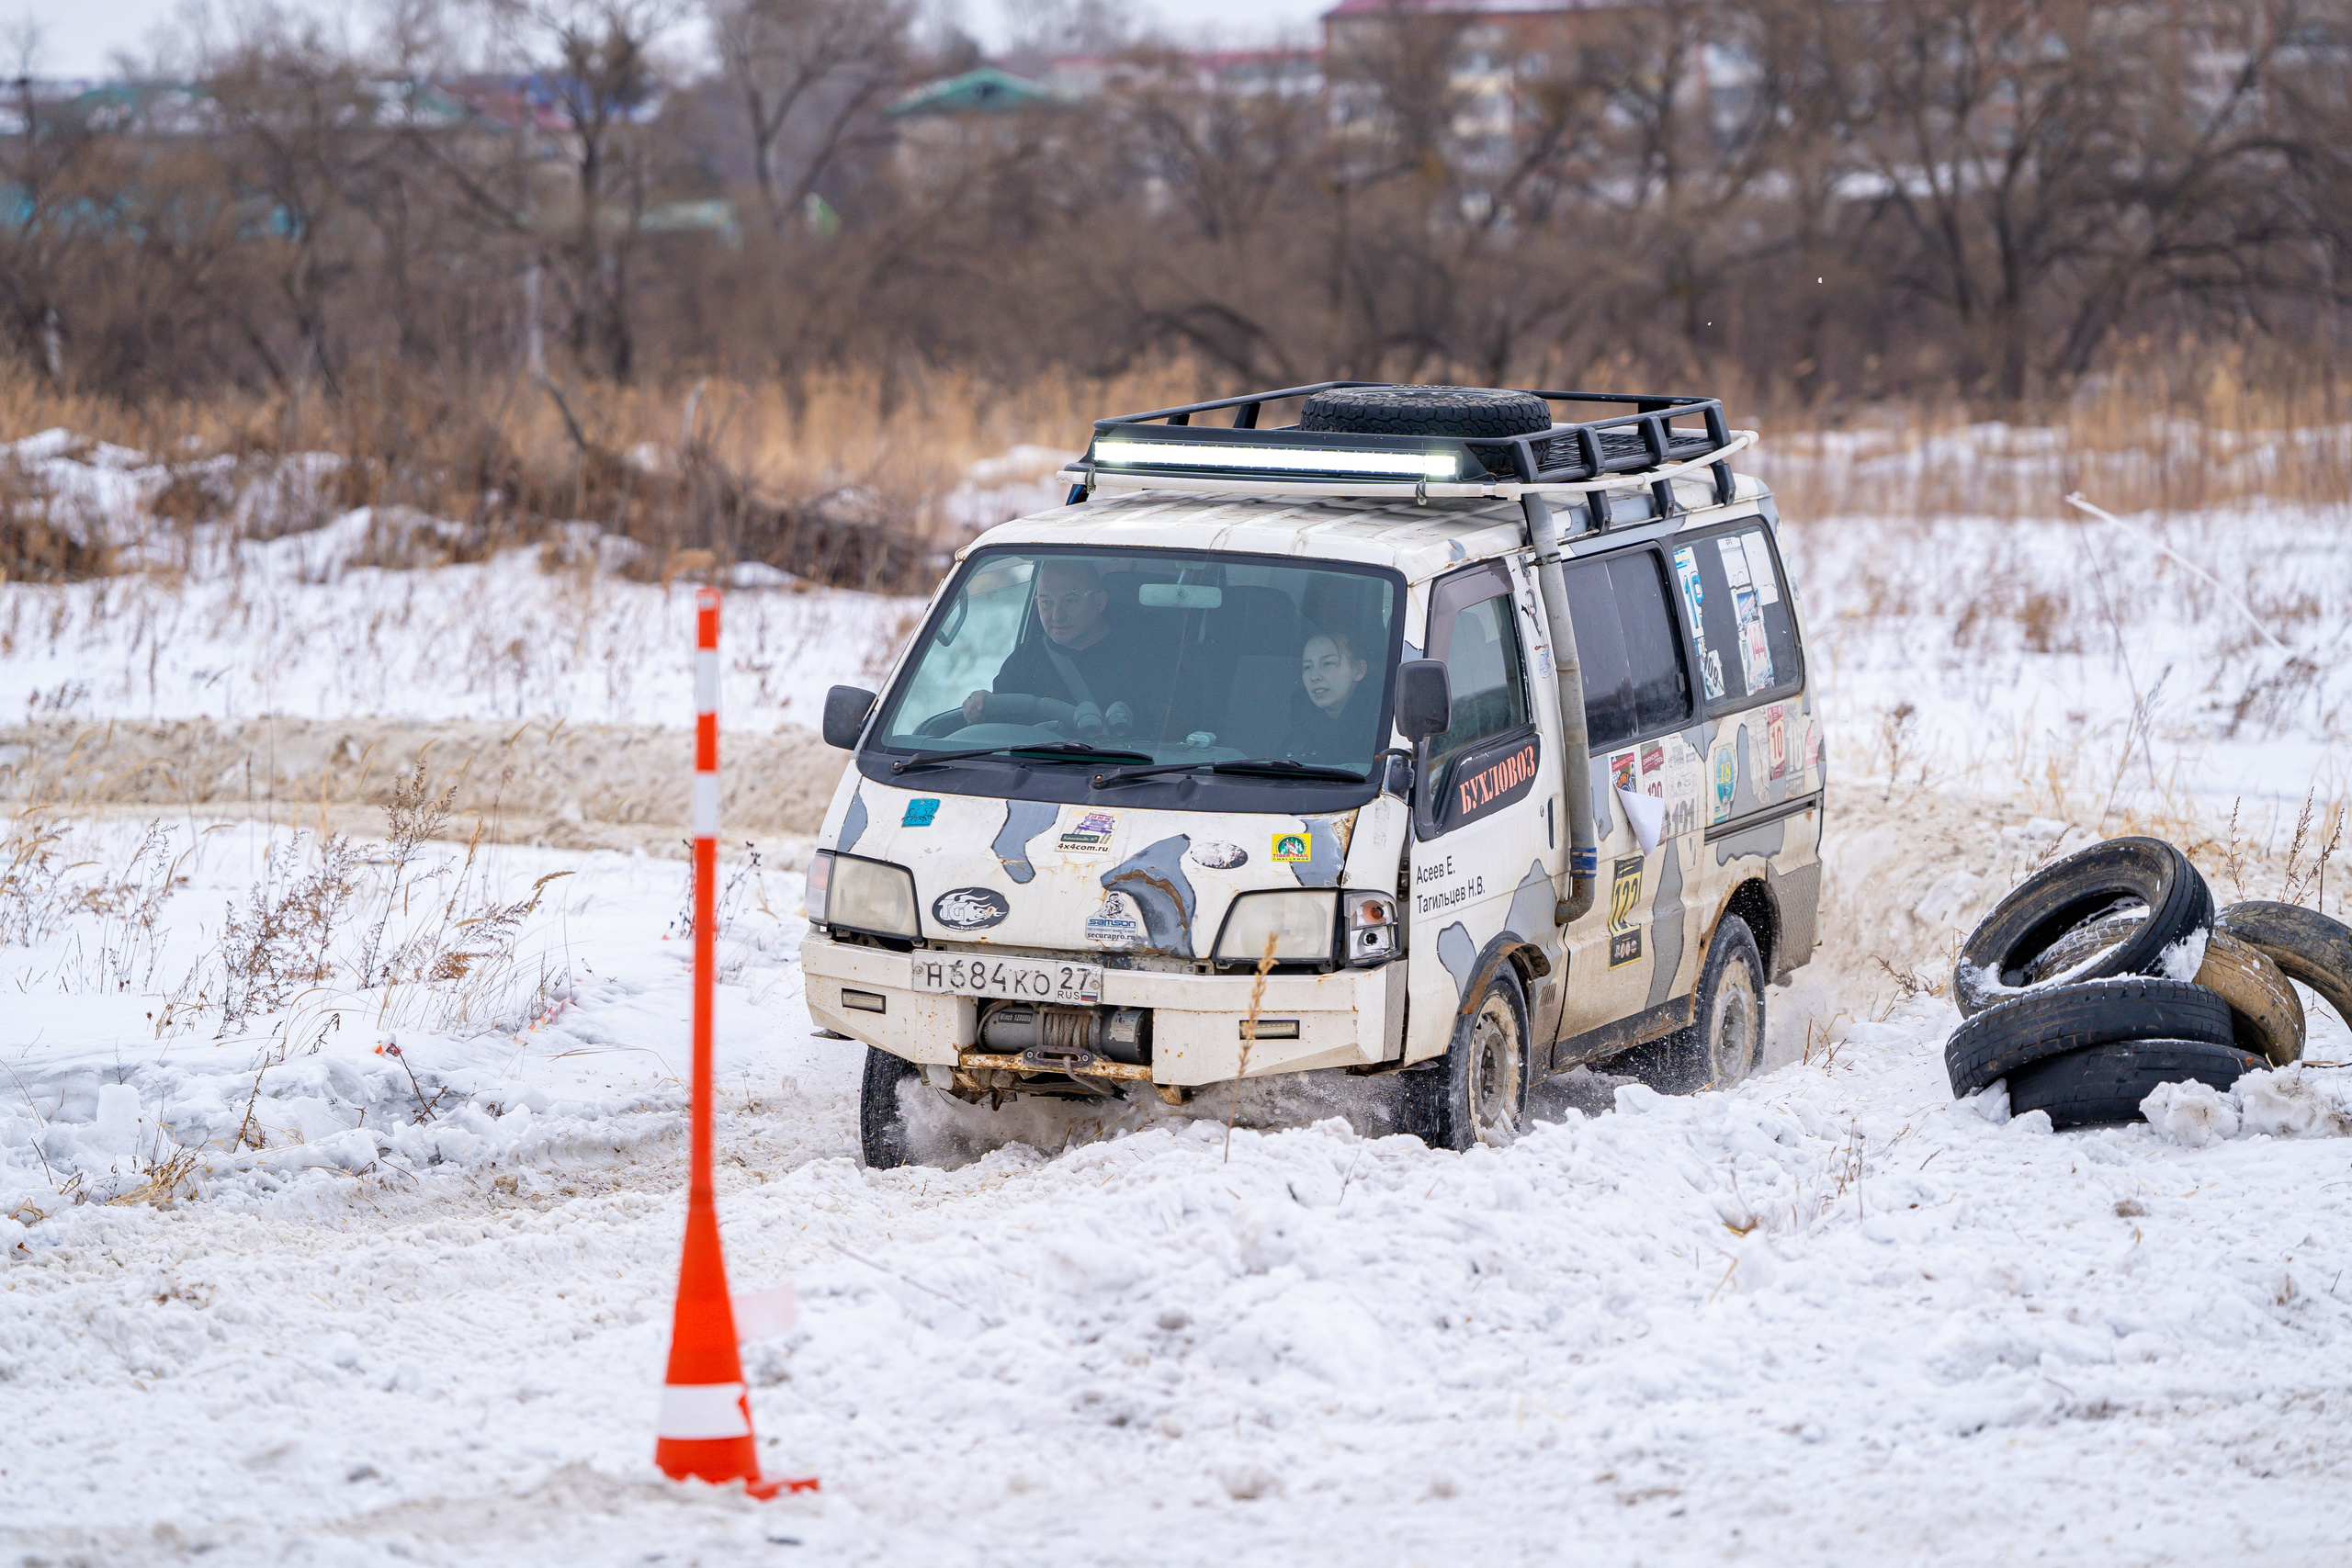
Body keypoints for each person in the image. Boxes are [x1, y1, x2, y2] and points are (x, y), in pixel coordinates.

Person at [962, 558, 1162, 733]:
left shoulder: (1146, 655)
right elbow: (1002, 727)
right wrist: (980, 707)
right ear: (1036, 602)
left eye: (1071, 600)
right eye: (1047, 603)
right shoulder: (1026, 657)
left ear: (1099, 602)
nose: (1057, 615)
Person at [1279, 628, 1377, 765]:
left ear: (1359, 670)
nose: (1314, 676)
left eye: (1327, 663)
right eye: (1307, 667)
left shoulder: (1381, 730)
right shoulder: (1298, 729)